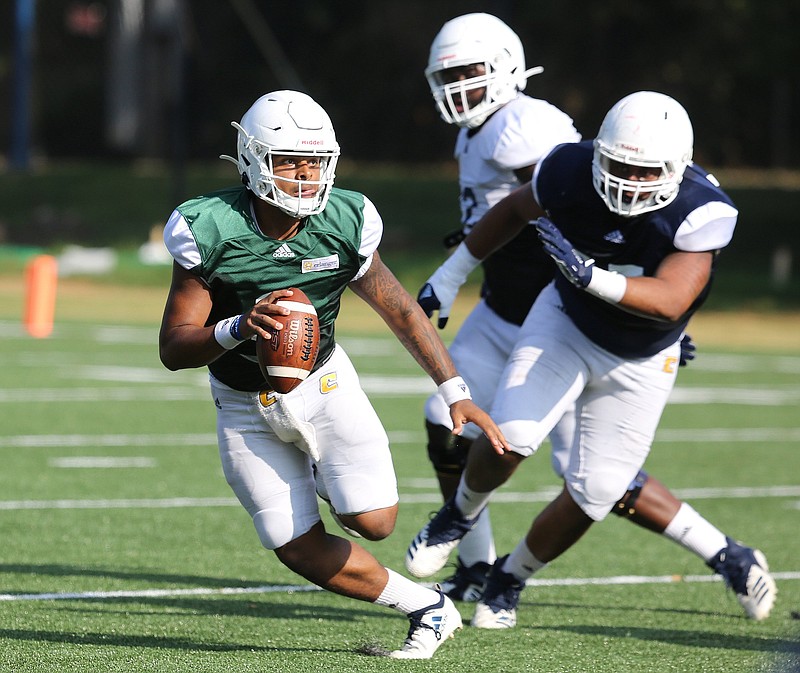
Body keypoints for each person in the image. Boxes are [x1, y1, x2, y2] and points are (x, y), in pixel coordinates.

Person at [418, 12, 768, 622]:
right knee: (488, 432)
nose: (628, 182)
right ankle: (471, 554)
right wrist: (450, 276)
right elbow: (524, 211)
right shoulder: (559, 162)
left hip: (613, 328)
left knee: (599, 483)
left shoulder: (692, 206)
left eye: (470, 72)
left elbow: (669, 291)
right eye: (449, 75)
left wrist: (636, 304)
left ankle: (725, 555)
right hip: (543, 311)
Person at [158, 90, 510, 659]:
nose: (304, 174)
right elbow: (174, 347)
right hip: (244, 400)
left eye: (314, 160)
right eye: (288, 160)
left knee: (373, 523)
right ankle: (429, 608)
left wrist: (454, 389)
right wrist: (239, 327)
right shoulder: (209, 226)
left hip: (325, 385)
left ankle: (326, 474)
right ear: (251, 160)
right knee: (291, 544)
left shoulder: (346, 218)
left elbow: (399, 307)